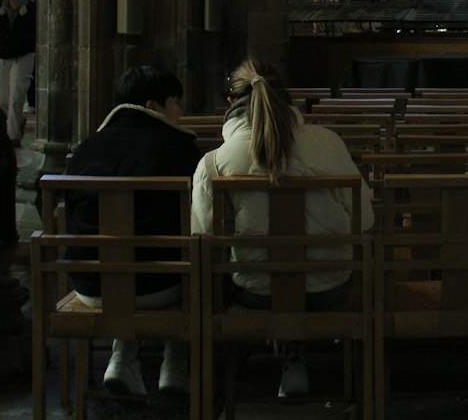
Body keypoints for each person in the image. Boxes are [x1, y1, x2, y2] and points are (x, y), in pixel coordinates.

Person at [191, 56, 374, 399]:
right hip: (330, 288)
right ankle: (296, 360)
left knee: (241, 273)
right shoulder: (327, 143)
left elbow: (202, 240)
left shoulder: (215, 162)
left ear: (230, 103)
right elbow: (365, 220)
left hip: (257, 293)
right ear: (286, 97)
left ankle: (235, 387)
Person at [65, 65, 201, 397]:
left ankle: (122, 357)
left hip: (89, 283)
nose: (180, 112)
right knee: (194, 255)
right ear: (153, 107)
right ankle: (174, 363)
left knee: (123, 257)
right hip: (159, 286)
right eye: (176, 103)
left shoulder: (85, 148)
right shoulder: (180, 148)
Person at [0, 0, 36, 146]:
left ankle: (13, 137)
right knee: (1, 99)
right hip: (3, 56)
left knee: (16, 95)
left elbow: (32, 32)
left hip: (22, 56)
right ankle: (2, 135)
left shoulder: (28, 10)